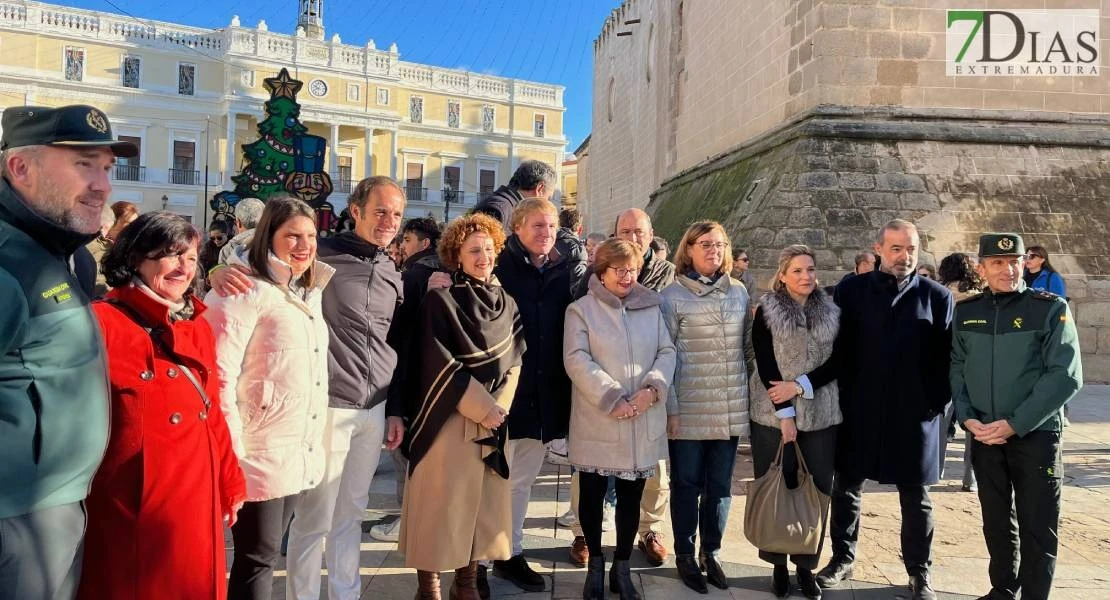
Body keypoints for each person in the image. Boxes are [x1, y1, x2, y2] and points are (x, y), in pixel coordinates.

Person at [210, 177, 407, 600]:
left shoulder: (392, 267)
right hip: (327, 405)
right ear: (355, 210)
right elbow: (251, 257)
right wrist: (218, 269)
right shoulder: (323, 253)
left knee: (351, 512)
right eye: (380, 211)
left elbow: (399, 336)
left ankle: (345, 593)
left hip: (373, 406)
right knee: (314, 518)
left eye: (396, 214)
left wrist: (396, 408)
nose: (389, 221)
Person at [0, 104, 136, 600]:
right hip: (16, 520)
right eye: (84, 164)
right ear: (21, 167)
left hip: (55, 509)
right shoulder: (9, 264)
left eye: (106, 167)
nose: (103, 184)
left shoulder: (60, 253)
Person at [79, 211, 247, 600]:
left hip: (194, 494)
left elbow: (211, 408)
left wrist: (229, 480)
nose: (183, 269)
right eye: (171, 255)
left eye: (191, 258)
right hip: (128, 507)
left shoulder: (196, 323)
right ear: (135, 258)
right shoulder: (99, 322)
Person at [203, 196, 332, 600]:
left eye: (310, 235)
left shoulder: (305, 291)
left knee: (267, 553)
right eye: (291, 235)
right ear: (268, 237)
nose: (303, 245)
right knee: (256, 557)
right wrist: (231, 449)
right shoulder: (242, 288)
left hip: (294, 445)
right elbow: (218, 375)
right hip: (255, 450)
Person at [817, 220, 953, 600]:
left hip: (914, 417)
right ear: (878, 248)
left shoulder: (937, 296)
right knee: (847, 489)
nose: (904, 256)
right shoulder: (851, 291)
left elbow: (947, 361)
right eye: (896, 248)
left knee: (917, 498)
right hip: (860, 412)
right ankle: (842, 560)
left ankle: (919, 572)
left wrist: (935, 406)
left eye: (911, 249)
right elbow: (838, 350)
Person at [399, 213, 526, 600]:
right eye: (474, 250)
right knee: (439, 507)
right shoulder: (442, 299)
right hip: (447, 418)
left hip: (492, 423)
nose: (483, 255)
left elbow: (516, 360)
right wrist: (480, 406)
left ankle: (467, 582)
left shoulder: (507, 302)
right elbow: (437, 360)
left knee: (480, 510)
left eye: (488, 248)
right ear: (456, 255)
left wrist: (497, 408)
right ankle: (430, 587)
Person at [951, 233, 1082, 600]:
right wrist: (967, 418)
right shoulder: (967, 312)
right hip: (985, 435)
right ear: (982, 268)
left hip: (1035, 435)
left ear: (1025, 263)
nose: (1008, 270)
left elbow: (1066, 375)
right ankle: (1003, 589)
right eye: (997, 263)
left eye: (1014, 262)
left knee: (1037, 524)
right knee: (995, 519)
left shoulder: (1050, 308)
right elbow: (957, 369)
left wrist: (1015, 424)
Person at [564, 239, 676, 600]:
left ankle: (622, 566)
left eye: (632, 269)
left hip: (642, 416)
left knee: (632, 498)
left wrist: (651, 390)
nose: (628, 276)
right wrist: (612, 397)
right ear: (602, 272)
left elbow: (667, 351)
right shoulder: (581, 310)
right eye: (619, 269)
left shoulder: (651, 307)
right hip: (599, 418)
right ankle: (595, 564)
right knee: (593, 496)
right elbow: (577, 359)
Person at [491, 198, 586, 593]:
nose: (545, 233)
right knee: (488, 481)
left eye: (550, 226)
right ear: (517, 228)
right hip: (499, 393)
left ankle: (509, 555)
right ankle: (476, 561)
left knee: (521, 481)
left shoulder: (566, 270)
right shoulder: (498, 265)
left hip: (542, 395)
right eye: (536, 226)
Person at [746, 245, 840, 600]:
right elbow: (765, 361)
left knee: (816, 491)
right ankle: (778, 566)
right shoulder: (767, 311)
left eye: (811, 270)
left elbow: (839, 360)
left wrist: (800, 386)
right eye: (798, 271)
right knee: (776, 485)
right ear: (782, 275)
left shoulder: (830, 311)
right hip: (772, 415)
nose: (806, 277)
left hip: (821, 414)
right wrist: (786, 413)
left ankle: (806, 568)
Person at [661, 220, 750, 594]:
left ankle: (710, 553)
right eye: (705, 243)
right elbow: (665, 357)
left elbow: (747, 350)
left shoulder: (740, 292)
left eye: (719, 243)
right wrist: (672, 408)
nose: (714, 249)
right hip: (689, 407)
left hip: (728, 407)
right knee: (685, 484)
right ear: (689, 249)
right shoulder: (671, 296)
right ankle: (684, 552)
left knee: (720, 488)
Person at [372, 216, 444, 544]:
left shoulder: (415, 275)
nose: (403, 246)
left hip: (409, 376)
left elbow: (398, 331)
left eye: (408, 240)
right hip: (437, 381)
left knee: (405, 456)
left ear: (424, 243)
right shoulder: (445, 272)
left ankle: (408, 524)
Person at [937, 252, 984, 493]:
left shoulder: (939, 293)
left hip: (945, 362)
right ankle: (970, 477)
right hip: (973, 365)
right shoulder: (980, 296)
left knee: (942, 421)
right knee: (973, 423)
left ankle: (935, 470)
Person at [474, 159, 556, 233]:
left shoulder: (506, 206)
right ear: (539, 189)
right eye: (548, 198)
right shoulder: (499, 210)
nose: (547, 203)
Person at [219, 197, 266, 264]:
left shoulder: (227, 250)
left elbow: (221, 273)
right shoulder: (275, 242)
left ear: (238, 222)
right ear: (264, 220)